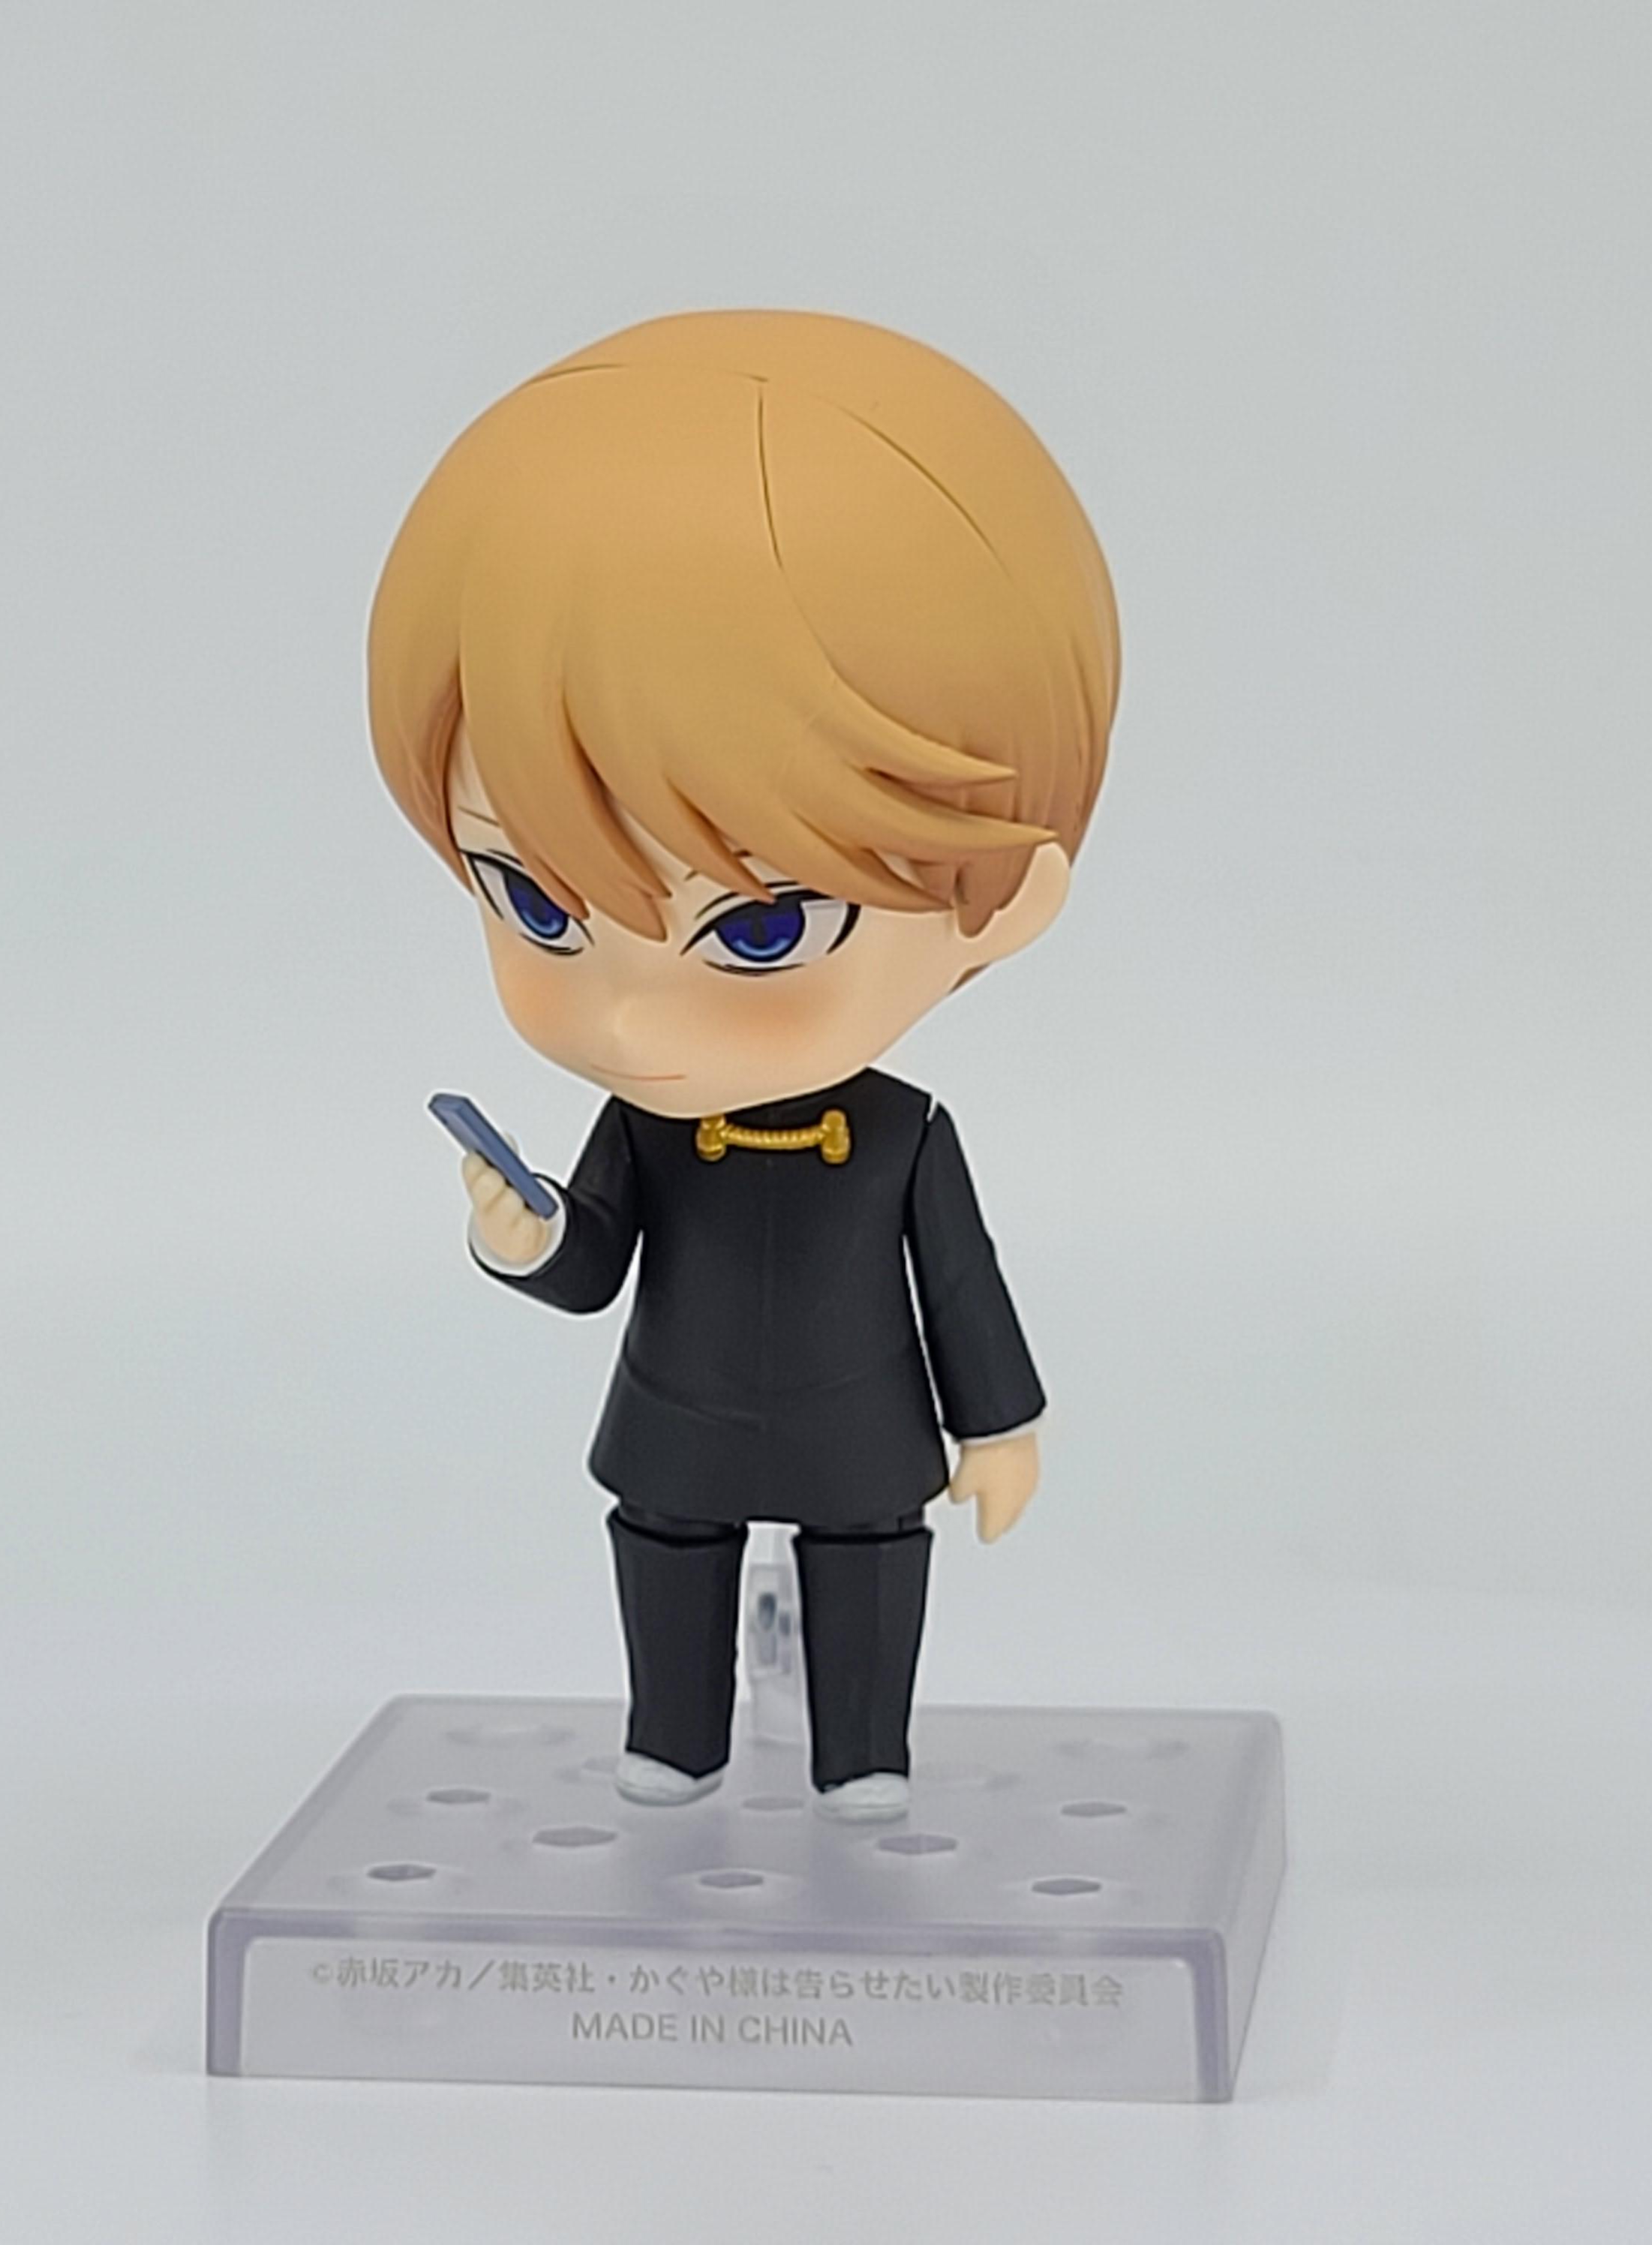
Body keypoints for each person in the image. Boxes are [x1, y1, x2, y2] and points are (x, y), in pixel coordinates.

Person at [367, 309, 1118, 1819]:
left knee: (867, 1560)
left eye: (763, 927)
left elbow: (960, 1285)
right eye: (537, 901)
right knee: (666, 1549)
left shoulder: (905, 1134)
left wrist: (999, 1425)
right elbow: (594, 1262)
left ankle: (863, 1751)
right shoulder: (639, 1126)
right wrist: (524, 1232)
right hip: (682, 1416)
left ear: (1003, 900)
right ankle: (674, 1733)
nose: (636, 1024)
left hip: (859, 1428)